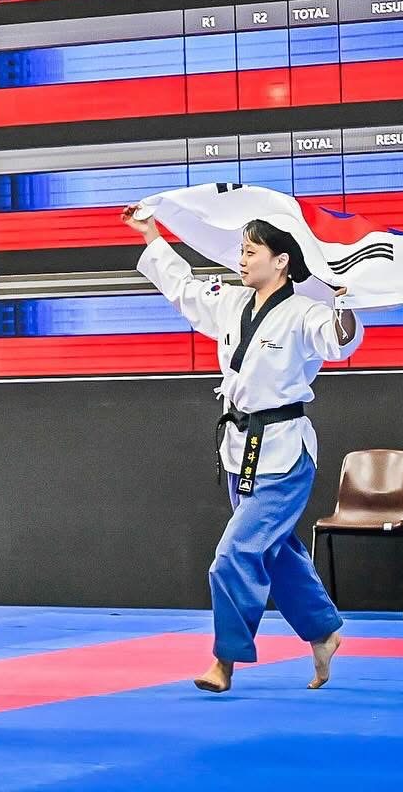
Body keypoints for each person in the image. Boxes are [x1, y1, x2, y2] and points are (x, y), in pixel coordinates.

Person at [122, 206, 362, 693]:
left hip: (285, 453)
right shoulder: (230, 303)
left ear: (282, 261)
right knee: (274, 553)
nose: (242, 257)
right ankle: (322, 632)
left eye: (252, 251)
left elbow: (339, 343)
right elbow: (183, 288)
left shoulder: (306, 312)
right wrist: (150, 233)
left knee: (233, 555)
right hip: (240, 450)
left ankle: (223, 661)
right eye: (242, 249)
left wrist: (345, 302)